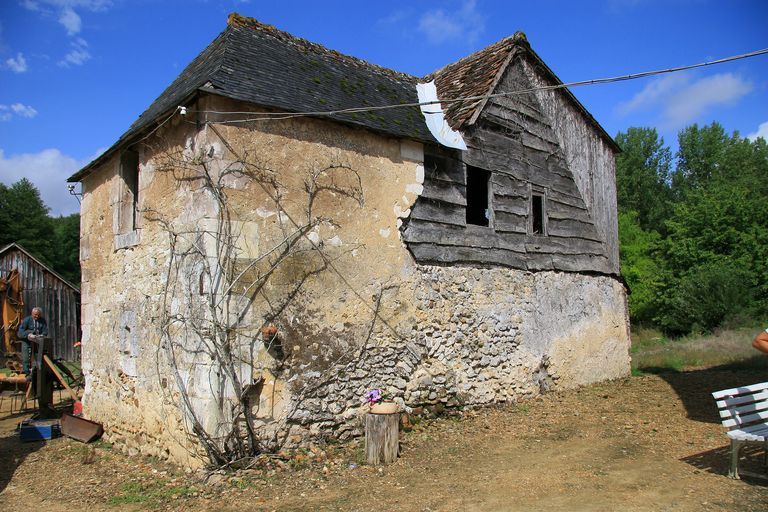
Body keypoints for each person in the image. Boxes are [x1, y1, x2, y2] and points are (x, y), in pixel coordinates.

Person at [17, 307, 48, 376]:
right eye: (35, 315)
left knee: (38, 358)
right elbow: (20, 333)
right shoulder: (27, 320)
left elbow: (45, 331)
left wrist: (41, 335)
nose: (37, 316)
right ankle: (27, 373)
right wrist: (29, 334)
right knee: (25, 358)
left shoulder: (42, 321)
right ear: (32, 313)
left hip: (37, 341)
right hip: (26, 341)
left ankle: (37, 373)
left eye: (38, 315)